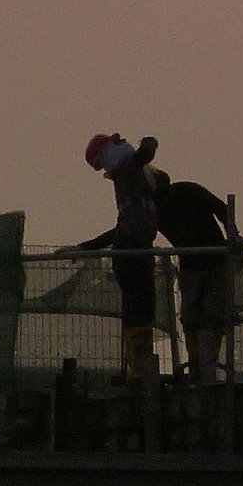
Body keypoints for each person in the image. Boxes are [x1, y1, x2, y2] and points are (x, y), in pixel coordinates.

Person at [148, 169, 243, 387]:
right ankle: (204, 371)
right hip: (211, 263)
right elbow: (221, 208)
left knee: (196, 320)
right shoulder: (184, 191)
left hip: (202, 266)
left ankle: (197, 371)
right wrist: (233, 235)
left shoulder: (156, 207)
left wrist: (233, 236)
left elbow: (124, 231)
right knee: (209, 319)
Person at [75, 132, 160, 380]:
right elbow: (144, 154)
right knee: (140, 307)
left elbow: (121, 229)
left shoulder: (127, 179)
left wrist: (88, 246)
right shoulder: (128, 172)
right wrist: (149, 142)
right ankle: (140, 367)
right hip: (134, 251)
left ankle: (140, 366)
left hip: (133, 249)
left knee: (138, 308)